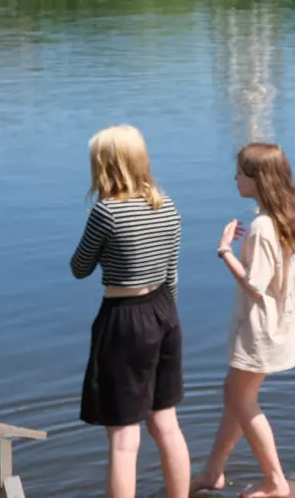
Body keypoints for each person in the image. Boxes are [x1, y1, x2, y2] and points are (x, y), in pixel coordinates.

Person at [71, 125, 190, 498]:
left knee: (124, 438)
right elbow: (171, 273)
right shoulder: (166, 205)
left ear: (105, 167)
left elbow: (79, 268)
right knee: (166, 423)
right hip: (164, 312)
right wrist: (165, 317)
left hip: (124, 318)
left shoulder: (106, 212)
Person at [192, 143, 295, 498]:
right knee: (234, 393)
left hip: (259, 330)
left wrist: (225, 250)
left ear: (257, 179)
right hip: (277, 326)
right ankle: (212, 472)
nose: (236, 178)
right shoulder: (283, 220)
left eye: (241, 172)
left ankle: (275, 481)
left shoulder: (260, 226)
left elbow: (255, 285)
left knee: (242, 399)